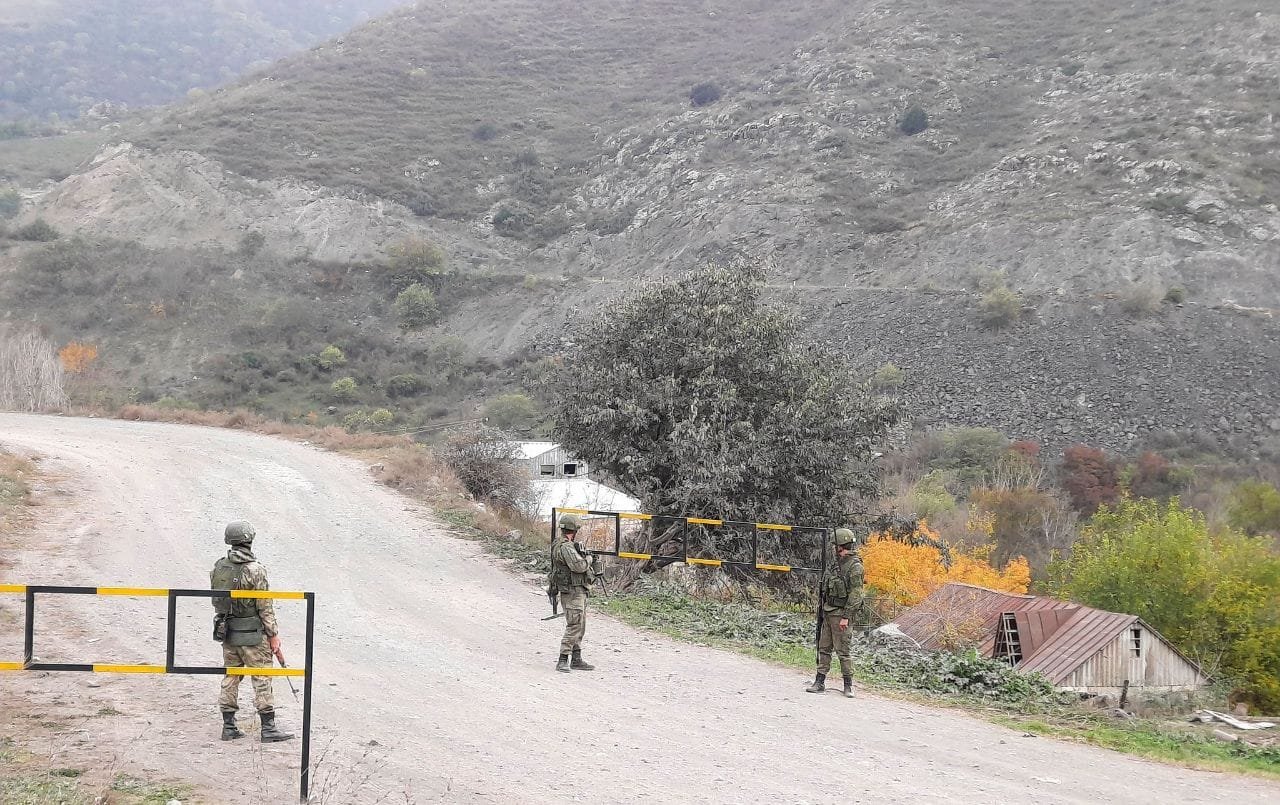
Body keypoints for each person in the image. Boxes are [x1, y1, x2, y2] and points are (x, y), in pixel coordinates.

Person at [210, 520, 295, 742]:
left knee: (231, 676)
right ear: (249, 540)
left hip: (228, 630)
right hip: (253, 633)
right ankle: (268, 728)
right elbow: (264, 606)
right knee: (262, 677)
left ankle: (228, 727)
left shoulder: (220, 566)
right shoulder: (255, 570)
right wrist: (273, 634)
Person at [806, 527, 865, 698]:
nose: (833, 548)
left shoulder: (855, 567)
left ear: (841, 546)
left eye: (835, 545)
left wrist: (846, 617)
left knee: (843, 652)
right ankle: (819, 681)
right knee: (824, 648)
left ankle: (848, 685)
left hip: (841, 615)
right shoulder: (835, 564)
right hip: (828, 611)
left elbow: (856, 594)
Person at [548, 513, 597, 672]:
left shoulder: (560, 543)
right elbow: (579, 566)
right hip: (572, 590)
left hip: (577, 589)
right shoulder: (566, 547)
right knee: (574, 624)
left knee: (580, 624)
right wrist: (589, 558)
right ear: (574, 529)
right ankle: (563, 659)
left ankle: (576, 658)